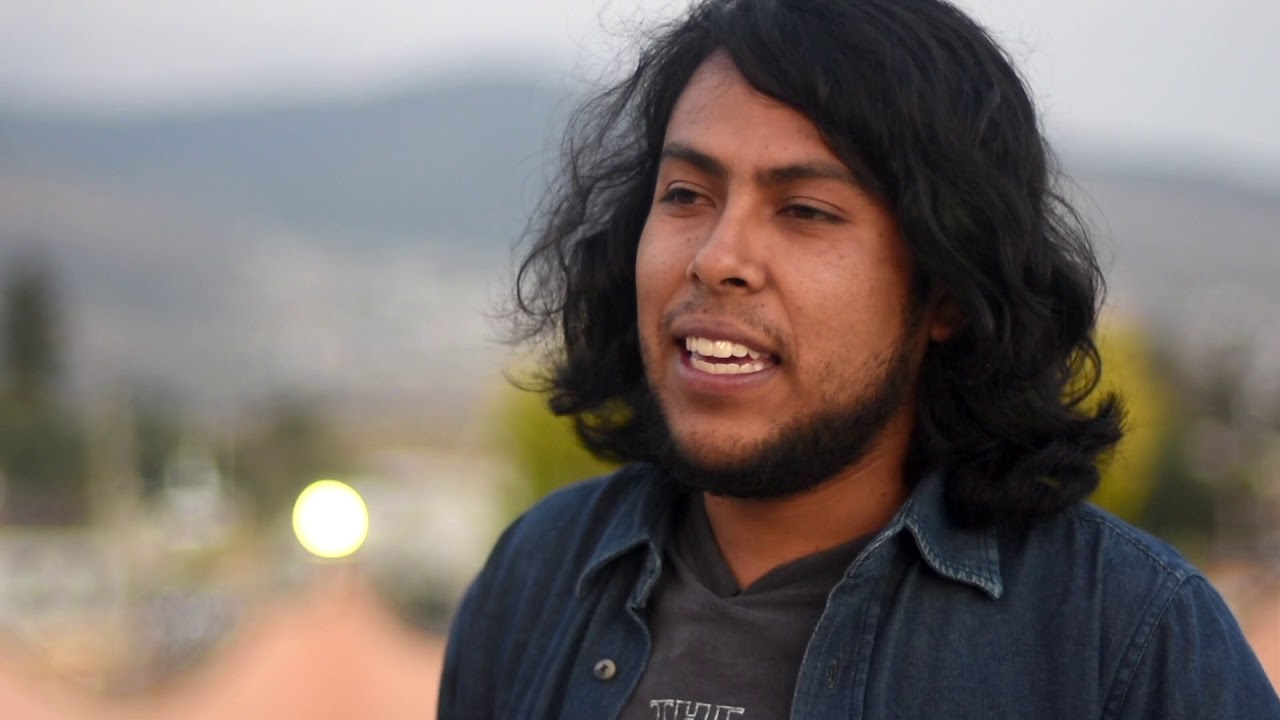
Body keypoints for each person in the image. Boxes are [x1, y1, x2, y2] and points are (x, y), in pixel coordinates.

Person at [439, 0, 1280, 717]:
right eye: (687, 195)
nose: (717, 257)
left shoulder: (1125, 638)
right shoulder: (542, 572)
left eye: (804, 210)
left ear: (947, 288)